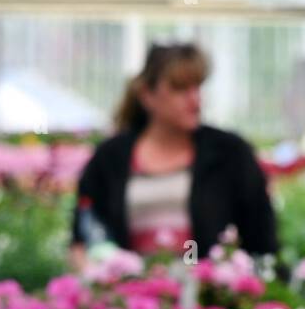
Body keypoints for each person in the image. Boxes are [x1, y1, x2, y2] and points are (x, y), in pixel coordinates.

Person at [71, 42, 278, 265]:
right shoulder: (110, 158)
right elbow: (83, 238)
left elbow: (262, 242)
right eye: (180, 88)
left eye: (197, 87)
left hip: (211, 295)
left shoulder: (231, 154)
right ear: (147, 95)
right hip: (129, 295)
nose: (194, 99)